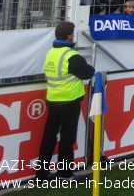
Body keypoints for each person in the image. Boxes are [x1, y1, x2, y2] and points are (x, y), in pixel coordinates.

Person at [35, 21, 95, 181]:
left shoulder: (51, 52)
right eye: (73, 33)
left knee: (49, 137)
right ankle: (65, 173)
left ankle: (41, 174)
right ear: (69, 35)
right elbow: (87, 72)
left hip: (53, 99)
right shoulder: (71, 55)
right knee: (67, 138)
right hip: (69, 101)